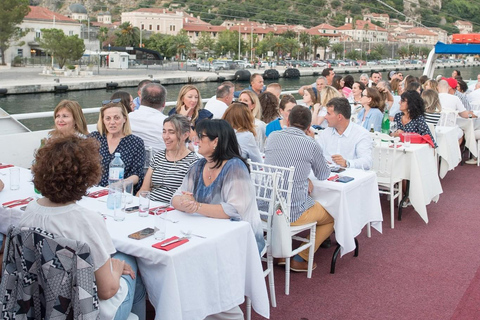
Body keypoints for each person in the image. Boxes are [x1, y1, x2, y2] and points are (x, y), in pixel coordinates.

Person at [18, 136, 146, 320]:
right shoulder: (87, 220)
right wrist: (116, 269)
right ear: (86, 177)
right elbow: (107, 290)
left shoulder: (30, 210)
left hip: (40, 303)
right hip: (83, 311)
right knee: (128, 260)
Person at [171, 119, 265, 254]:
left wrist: (196, 206)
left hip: (239, 238)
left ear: (215, 142)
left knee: (188, 251)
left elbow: (234, 210)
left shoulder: (235, 167)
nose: (196, 140)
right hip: (206, 231)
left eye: (201, 136)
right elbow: (176, 196)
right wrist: (184, 202)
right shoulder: (200, 165)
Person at [264, 105, 333, 271]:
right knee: (332, 216)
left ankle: (281, 251)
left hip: (266, 207)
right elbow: (323, 174)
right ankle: (301, 258)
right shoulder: (310, 144)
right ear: (309, 126)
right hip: (291, 212)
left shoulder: (272, 136)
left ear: (288, 120)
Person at [138, 115, 198, 203]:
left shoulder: (193, 162)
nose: (166, 137)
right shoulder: (158, 157)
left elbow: (188, 197)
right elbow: (144, 189)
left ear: (185, 135)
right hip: (149, 206)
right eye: (164, 131)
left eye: (171, 132)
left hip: (172, 209)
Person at [89, 100, 145, 192]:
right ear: (103, 120)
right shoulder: (94, 138)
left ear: (124, 119)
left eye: (116, 118)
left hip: (121, 191)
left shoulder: (136, 142)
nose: (112, 122)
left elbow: (137, 175)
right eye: (108, 118)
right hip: (94, 190)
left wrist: (117, 185)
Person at [317, 97, 373, 170]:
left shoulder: (361, 134)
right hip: (327, 176)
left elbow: (367, 162)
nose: (325, 117)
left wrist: (347, 163)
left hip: (352, 178)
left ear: (339, 117)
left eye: (328, 114)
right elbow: (316, 155)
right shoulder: (325, 133)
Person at [129, 83, 168, 154]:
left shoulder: (127, 119)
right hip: (160, 163)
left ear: (140, 100)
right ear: (164, 103)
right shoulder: (168, 123)